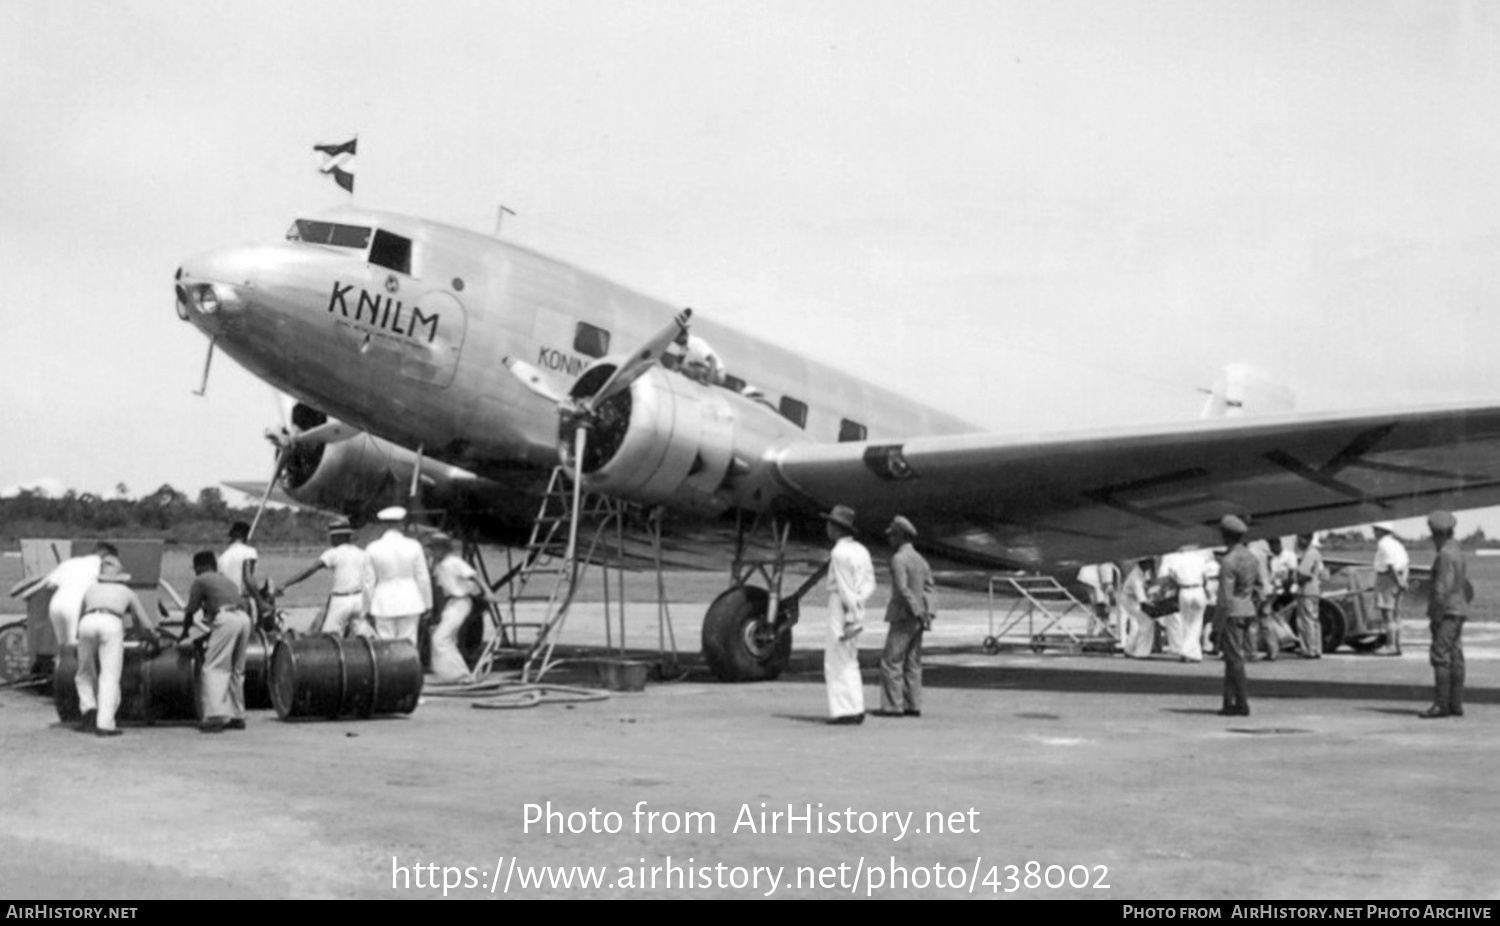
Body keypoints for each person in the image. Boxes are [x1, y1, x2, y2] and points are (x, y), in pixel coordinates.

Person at [74, 557, 163, 737]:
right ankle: (105, 723)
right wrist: (154, 639)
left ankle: (89, 708)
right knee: (109, 675)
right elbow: (144, 624)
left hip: (87, 622)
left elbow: (80, 615)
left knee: (84, 672)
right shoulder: (127, 591)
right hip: (111, 622)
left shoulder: (90, 590)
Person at [177, 551, 254, 733]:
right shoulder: (226, 580)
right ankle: (237, 715)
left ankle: (214, 716)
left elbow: (190, 612)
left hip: (226, 618)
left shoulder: (201, 580)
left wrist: (184, 633)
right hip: (243, 618)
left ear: (199, 567)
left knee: (214, 667)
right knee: (236, 668)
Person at [875, 516, 933, 718]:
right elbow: (929, 589)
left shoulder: (899, 559)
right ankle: (913, 705)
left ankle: (893, 706)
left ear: (900, 536)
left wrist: (916, 610)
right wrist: (928, 613)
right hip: (918, 619)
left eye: (892, 535)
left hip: (903, 616)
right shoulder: (921, 560)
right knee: (913, 662)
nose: (890, 539)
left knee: (891, 661)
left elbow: (902, 589)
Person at [822, 504, 875, 725]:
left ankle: (844, 710)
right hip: (858, 604)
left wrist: (850, 616)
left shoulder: (839, 553)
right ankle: (856, 706)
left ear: (836, 528)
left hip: (842, 607)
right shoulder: (861, 550)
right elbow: (870, 583)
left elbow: (844, 588)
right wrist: (859, 606)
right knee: (851, 659)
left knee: (836, 659)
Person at [280, 520, 374, 638]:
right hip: (358, 599)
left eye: (332, 537)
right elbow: (369, 579)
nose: (331, 541)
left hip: (341, 600)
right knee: (364, 634)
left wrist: (286, 584)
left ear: (338, 537)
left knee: (330, 637)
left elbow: (310, 570)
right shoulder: (362, 553)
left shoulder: (333, 553)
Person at [1421, 510, 1470, 719]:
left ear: (1436, 533)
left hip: (1447, 611)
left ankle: (1442, 705)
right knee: (1456, 656)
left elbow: (1441, 589)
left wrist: (1436, 615)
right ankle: (1455, 703)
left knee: (1440, 656)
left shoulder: (1444, 555)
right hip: (1459, 609)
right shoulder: (1458, 551)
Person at [427, 533, 490, 684]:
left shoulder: (454, 562)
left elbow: (474, 576)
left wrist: (488, 592)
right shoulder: (438, 565)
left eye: (435, 549)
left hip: (461, 601)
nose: (433, 552)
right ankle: (449, 674)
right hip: (451, 603)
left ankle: (461, 675)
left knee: (440, 638)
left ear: (443, 549)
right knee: (447, 639)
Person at [365, 507, 433, 645]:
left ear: (383, 525)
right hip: (411, 600)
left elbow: (368, 582)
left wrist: (367, 607)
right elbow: (423, 578)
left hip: (383, 602)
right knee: (409, 643)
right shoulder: (414, 546)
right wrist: (428, 603)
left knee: (385, 645)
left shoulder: (372, 548)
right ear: (402, 523)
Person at [1217, 514, 1262, 717]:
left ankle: (1242, 703)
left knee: (1235, 660)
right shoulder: (1252, 558)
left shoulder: (1228, 561)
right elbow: (1260, 588)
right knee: (1231, 659)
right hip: (1248, 609)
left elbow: (1225, 599)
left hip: (1233, 613)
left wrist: (1216, 625)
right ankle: (1228, 702)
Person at [41, 542, 113, 648]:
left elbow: (49, 586)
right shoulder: (100, 563)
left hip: (56, 604)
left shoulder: (69, 562)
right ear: (105, 554)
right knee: (75, 647)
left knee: (63, 646)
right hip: (77, 605)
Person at [1157, 548, 1207, 663]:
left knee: (1186, 622)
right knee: (1196, 622)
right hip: (1198, 589)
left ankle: (1190, 651)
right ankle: (1191, 651)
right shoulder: (1199, 557)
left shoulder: (1176, 559)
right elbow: (1205, 577)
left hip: (1184, 590)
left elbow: (1170, 575)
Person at [1372, 523, 1409, 656]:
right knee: (1396, 614)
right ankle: (1398, 644)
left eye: (1375, 530)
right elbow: (1405, 562)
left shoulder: (1383, 544)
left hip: (1387, 578)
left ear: (1381, 531)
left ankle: (1390, 645)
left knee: (1387, 613)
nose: (1374, 532)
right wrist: (1402, 580)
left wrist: (1397, 580)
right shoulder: (1397, 544)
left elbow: (1389, 564)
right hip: (1399, 575)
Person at [219, 521, 263, 624]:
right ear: (246, 536)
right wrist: (260, 602)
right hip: (242, 601)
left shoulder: (222, 557)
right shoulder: (249, 552)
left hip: (224, 602)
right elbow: (248, 578)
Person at [1293, 533, 1326, 658]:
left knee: (1306, 621)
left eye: (1302, 538)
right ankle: (1316, 648)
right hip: (1314, 590)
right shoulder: (1315, 553)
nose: (1300, 541)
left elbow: (1304, 574)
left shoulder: (1310, 553)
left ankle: (1309, 649)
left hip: (1306, 591)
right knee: (1313, 620)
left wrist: (1294, 579)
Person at [1120, 558, 1157, 658]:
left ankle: (1130, 649)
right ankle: (1141, 652)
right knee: (1147, 621)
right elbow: (1142, 599)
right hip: (1129, 599)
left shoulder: (1144, 572)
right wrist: (1153, 604)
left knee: (1138, 624)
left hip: (1134, 598)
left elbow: (1149, 585)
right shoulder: (1135, 576)